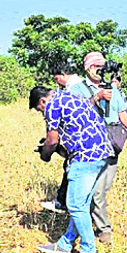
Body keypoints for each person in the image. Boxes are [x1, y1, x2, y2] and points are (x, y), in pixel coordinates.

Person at [30, 86, 113, 253]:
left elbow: (52, 140)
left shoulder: (51, 106)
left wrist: (45, 154)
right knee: (81, 205)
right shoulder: (71, 96)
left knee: (75, 205)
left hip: (85, 157)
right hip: (101, 153)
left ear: (42, 101)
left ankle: (89, 252)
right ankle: (65, 245)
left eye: (39, 110)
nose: (42, 114)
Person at [68, 51, 127, 245]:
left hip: (112, 143)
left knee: (103, 189)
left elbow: (122, 113)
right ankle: (103, 230)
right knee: (97, 192)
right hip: (90, 146)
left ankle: (87, 224)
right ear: (88, 68)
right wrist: (96, 97)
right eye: (95, 67)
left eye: (102, 67)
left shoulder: (113, 89)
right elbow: (74, 112)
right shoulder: (77, 89)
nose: (99, 71)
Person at [40, 62, 84, 214]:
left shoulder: (74, 88)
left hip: (82, 138)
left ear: (63, 75)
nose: (56, 82)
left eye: (56, 78)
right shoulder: (81, 84)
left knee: (71, 167)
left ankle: (63, 203)